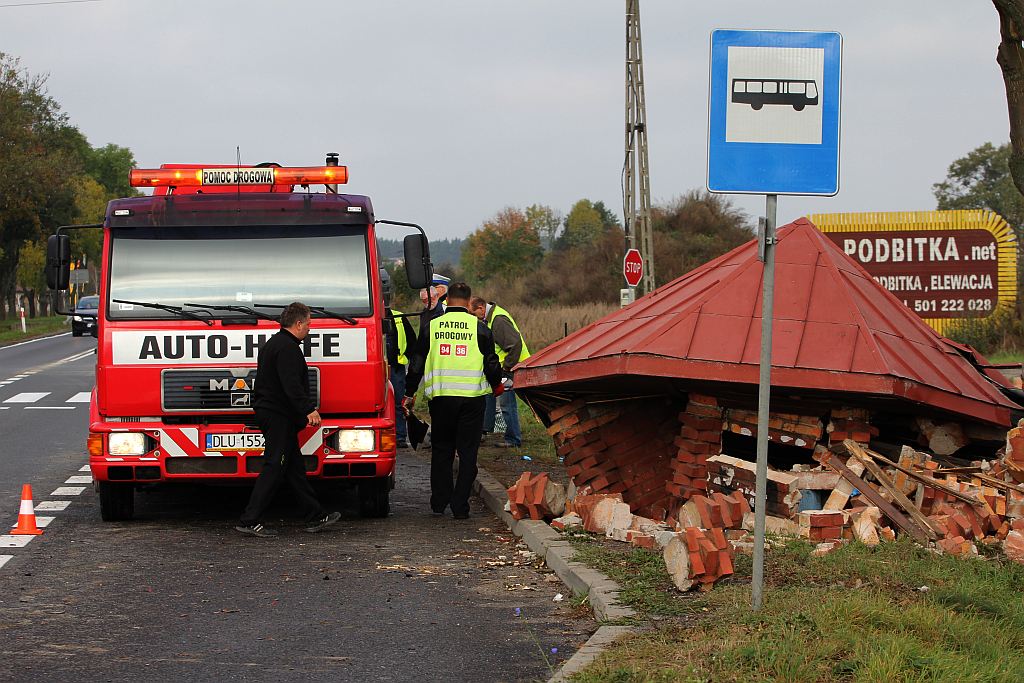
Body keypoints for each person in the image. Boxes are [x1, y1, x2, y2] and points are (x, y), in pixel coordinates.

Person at [236, 302, 341, 537]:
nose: (310, 329)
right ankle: (249, 519)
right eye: (309, 324)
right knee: (275, 465)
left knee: (294, 468)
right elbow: (290, 384)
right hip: (278, 415)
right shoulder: (288, 348)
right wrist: (308, 409)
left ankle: (316, 515)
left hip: (273, 412)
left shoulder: (273, 344)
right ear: (299, 323)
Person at [403, 282, 503, 519]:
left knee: (442, 450)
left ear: (446, 300)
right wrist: (497, 384)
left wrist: (409, 392)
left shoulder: (432, 327)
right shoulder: (480, 329)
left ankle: (439, 502)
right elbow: (491, 362)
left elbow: (416, 361)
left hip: (441, 399)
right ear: (469, 303)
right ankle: (460, 506)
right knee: (468, 453)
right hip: (472, 400)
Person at [469, 296, 531, 448]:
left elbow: (514, 344)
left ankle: (513, 440)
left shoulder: (498, 320)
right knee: (489, 396)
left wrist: (507, 368)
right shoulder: (491, 318)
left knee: (507, 405)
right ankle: (484, 430)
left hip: (512, 368)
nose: (471, 317)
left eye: (472, 313)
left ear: (481, 309)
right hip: (505, 368)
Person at [386, 305, 416, 448]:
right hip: (377, 367)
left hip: (395, 368)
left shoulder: (398, 317)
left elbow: (412, 340)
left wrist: (405, 358)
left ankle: (400, 437)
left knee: (398, 402)